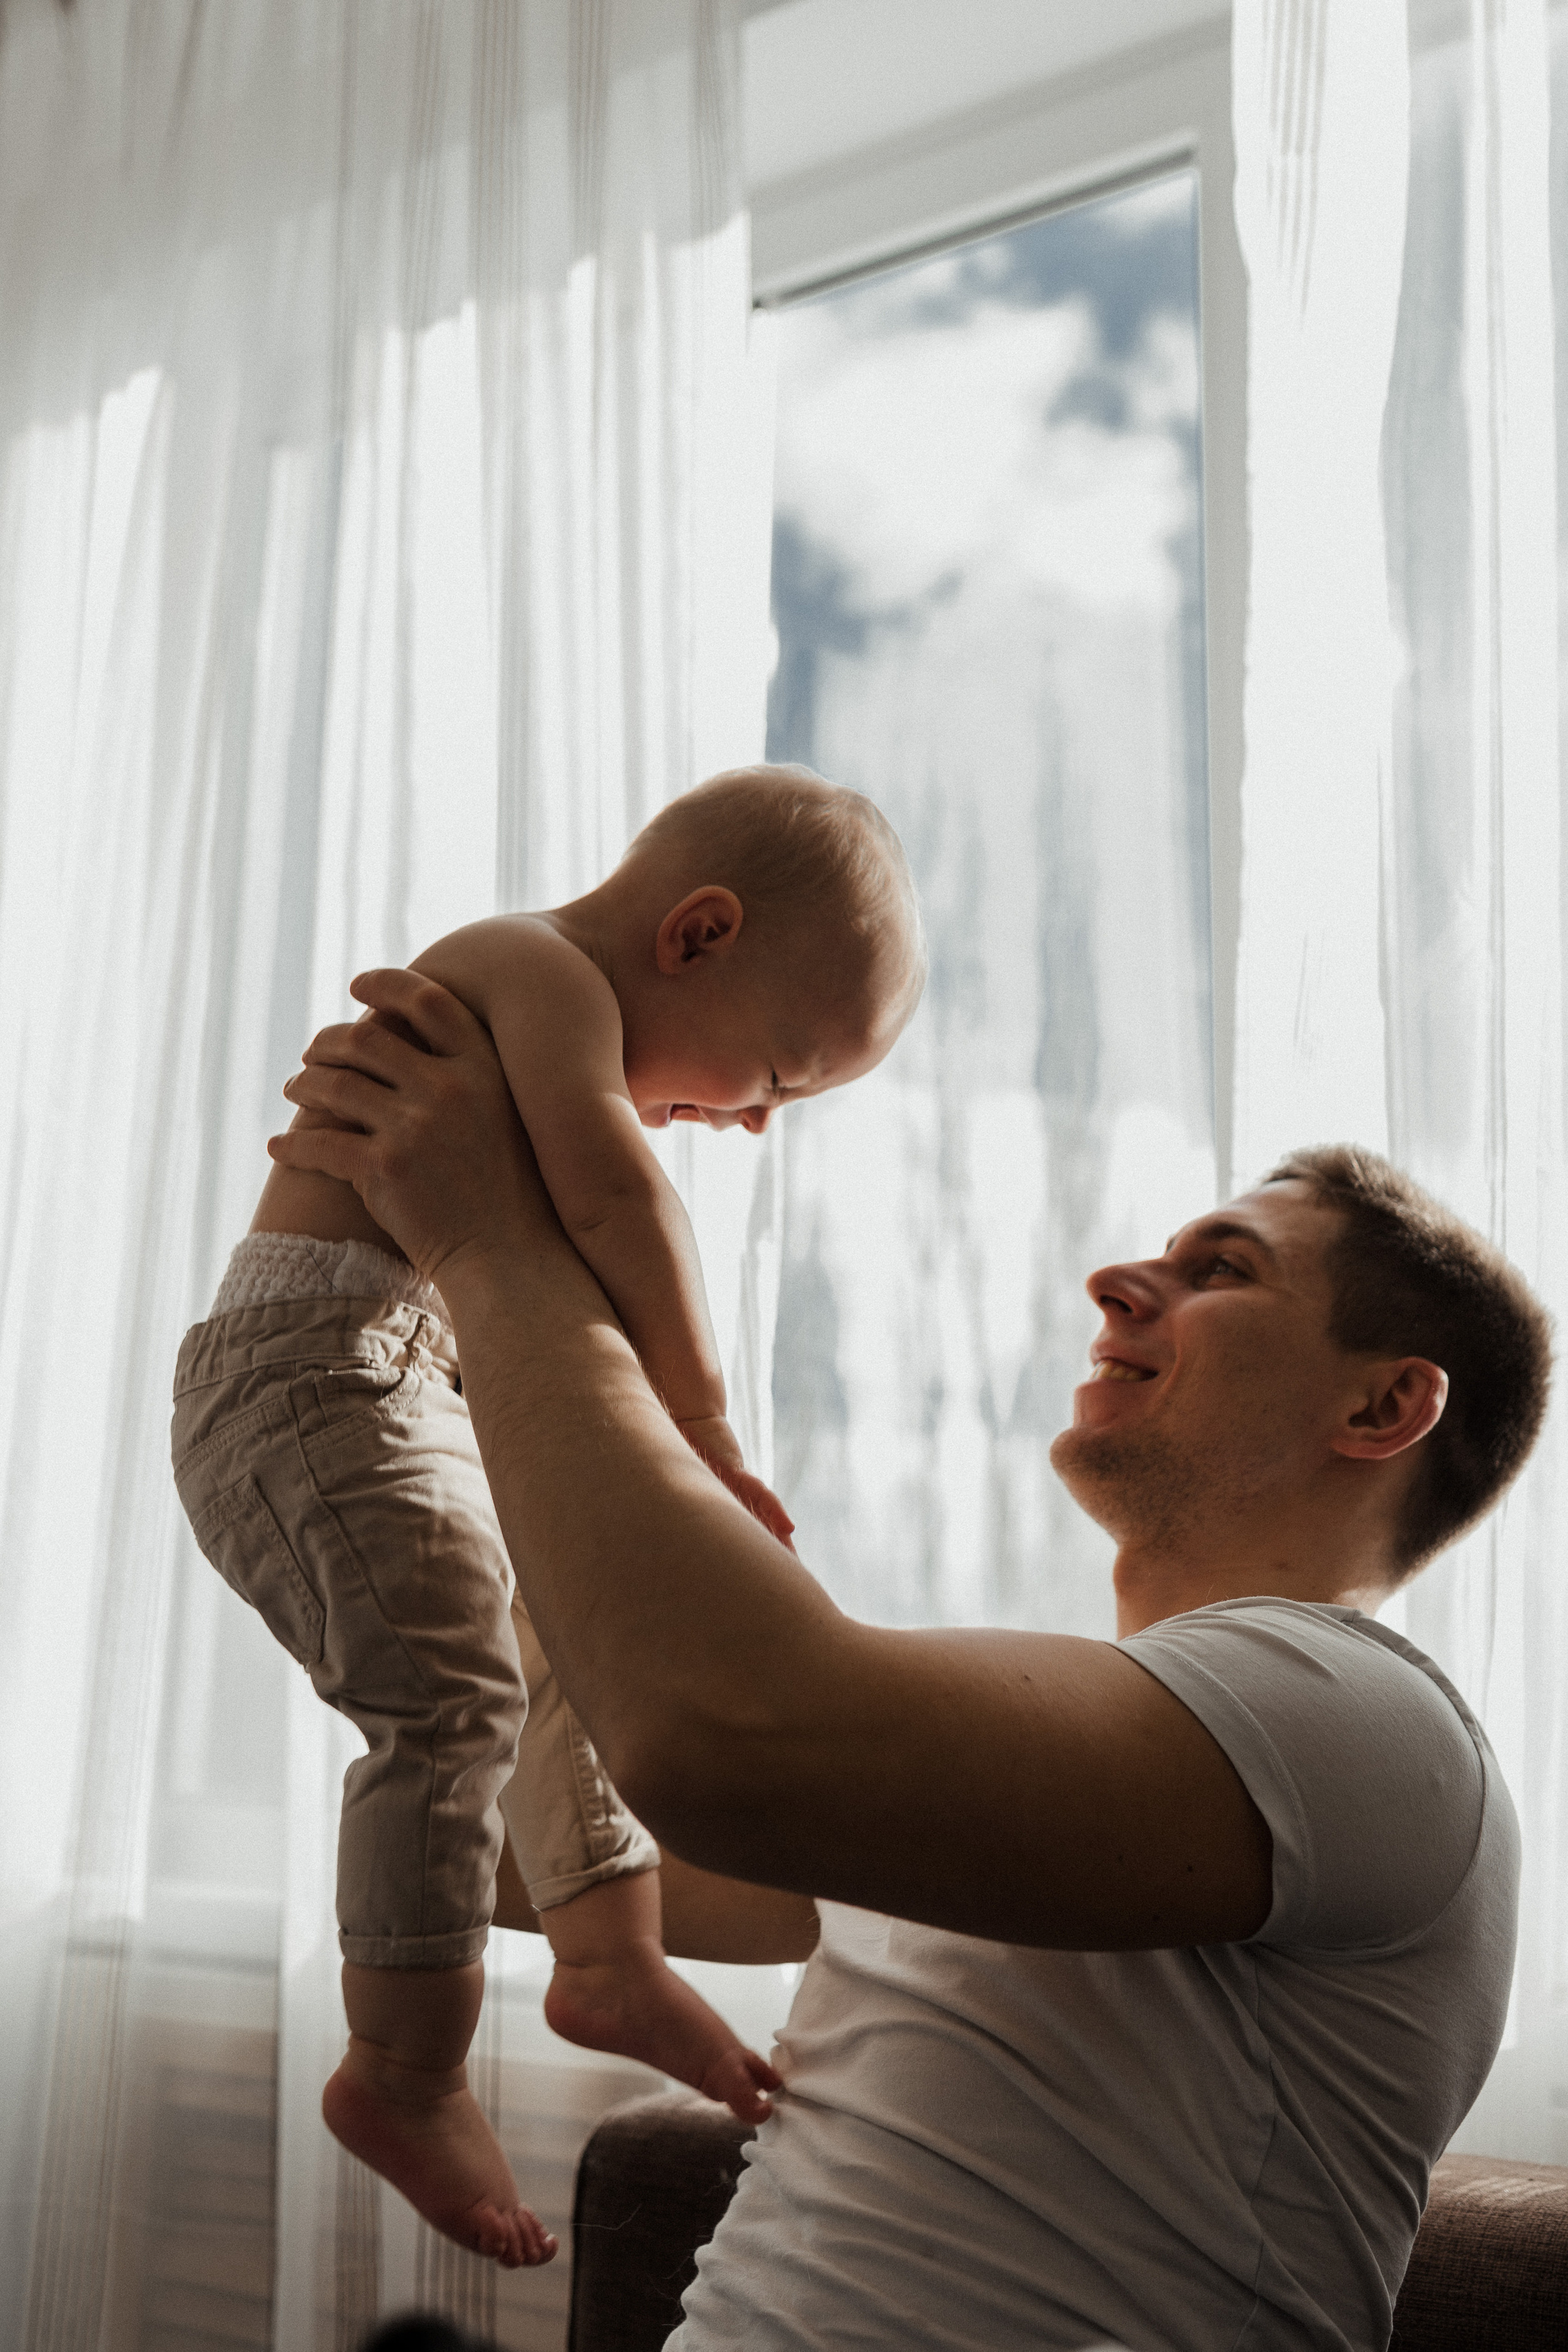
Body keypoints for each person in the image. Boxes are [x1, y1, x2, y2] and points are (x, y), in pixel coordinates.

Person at [268, 966, 1550, 2352]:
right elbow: (524, 1847)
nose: (1117, 1280)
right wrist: (372, 1410)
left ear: (1382, 1402)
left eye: (1221, 1269)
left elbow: (712, 1740)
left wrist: (501, 1249)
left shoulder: (1363, 1723)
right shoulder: (1016, 1786)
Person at [170, 766, 925, 2270]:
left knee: (557, 1644)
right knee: (450, 1699)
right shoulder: (526, 966)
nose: (751, 1125)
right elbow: (614, 1206)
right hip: (310, 1383)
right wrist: (702, 1425)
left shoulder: (530, 1014)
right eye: (774, 1077)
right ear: (696, 934)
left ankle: (609, 1956)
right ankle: (401, 2070)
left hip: (394, 1383)